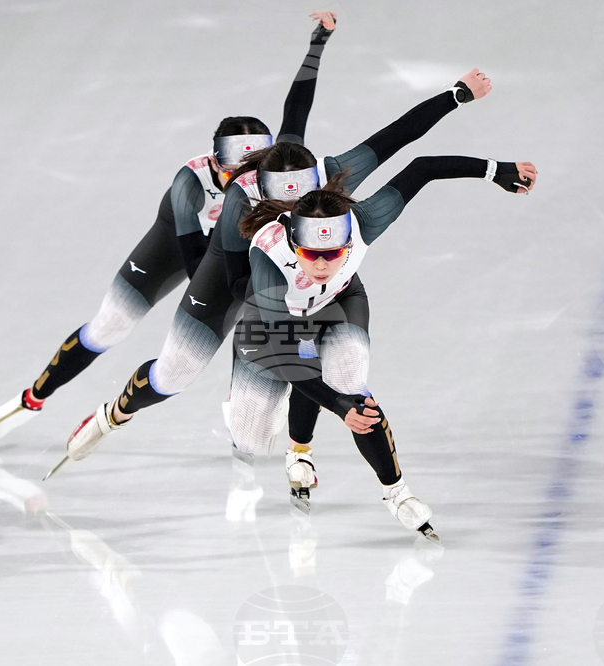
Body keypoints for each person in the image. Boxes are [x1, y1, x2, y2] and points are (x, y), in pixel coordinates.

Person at [51, 69, 496, 498]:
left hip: (301, 272)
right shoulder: (240, 200)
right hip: (232, 282)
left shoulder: (329, 175)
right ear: (257, 187)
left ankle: (299, 443)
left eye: (299, 198)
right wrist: (282, 320)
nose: (289, 208)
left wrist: (456, 94)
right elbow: (236, 282)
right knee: (175, 374)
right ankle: (111, 416)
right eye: (277, 199)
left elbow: (396, 137)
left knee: (279, 408)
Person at [0, 11, 338, 447]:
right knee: (110, 327)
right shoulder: (189, 187)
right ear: (217, 165)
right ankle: (29, 400)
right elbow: (202, 268)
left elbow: (297, 106)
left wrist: (317, 43)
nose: (254, 183)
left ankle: (246, 415)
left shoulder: (270, 173)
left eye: (261, 170)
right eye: (240, 173)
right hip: (180, 252)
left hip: (235, 253)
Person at [225, 154, 538, 539]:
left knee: (349, 380)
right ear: (292, 241)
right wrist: (339, 409)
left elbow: (424, 167)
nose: (322, 265)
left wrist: (495, 171)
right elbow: (284, 354)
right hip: (278, 316)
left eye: (334, 253)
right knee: (257, 425)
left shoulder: (365, 222)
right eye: (311, 254)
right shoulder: (269, 256)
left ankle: (397, 492)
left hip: (339, 301)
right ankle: (299, 450)